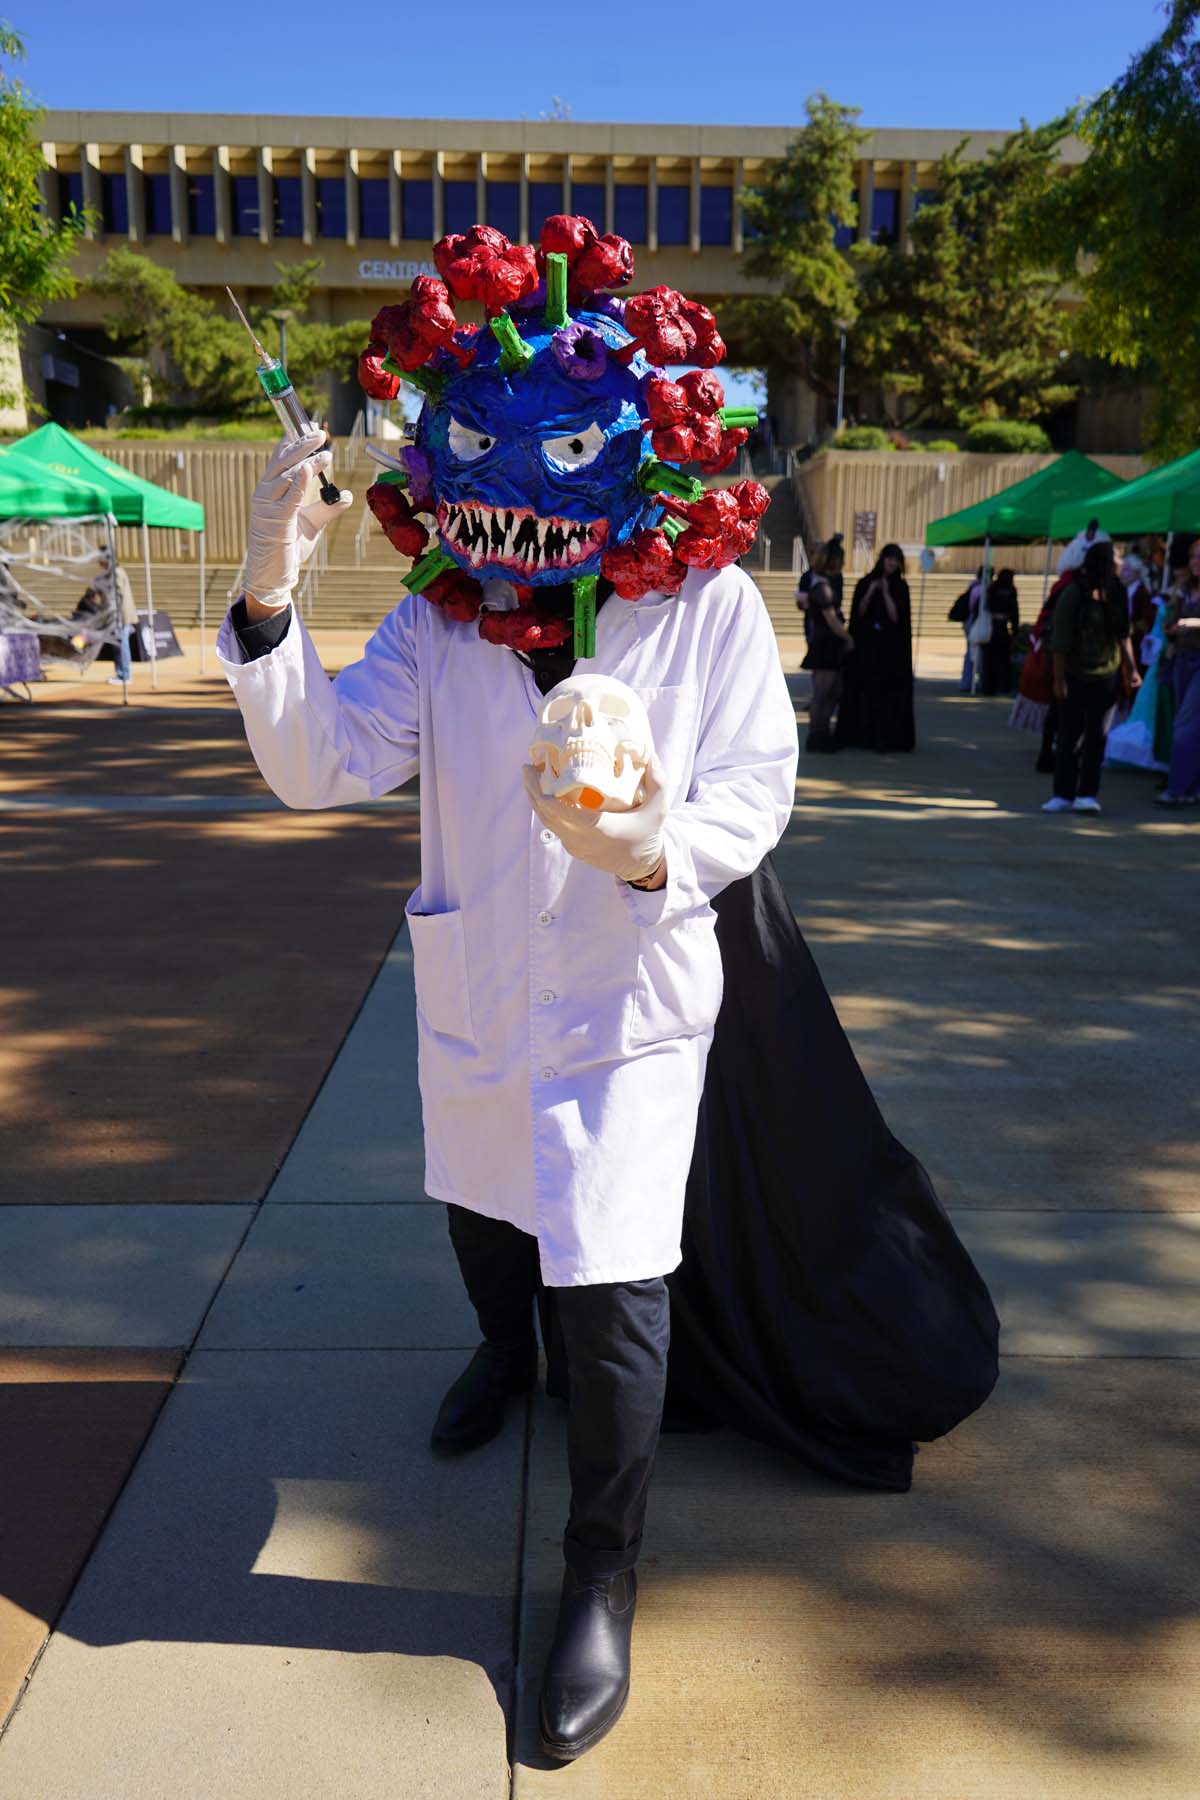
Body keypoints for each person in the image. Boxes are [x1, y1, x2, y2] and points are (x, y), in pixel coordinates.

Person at [217, 215, 999, 1764]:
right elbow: (322, 765)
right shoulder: (443, 615)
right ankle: (498, 1354)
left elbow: (756, 786)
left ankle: (600, 1576)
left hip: (635, 992)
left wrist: (652, 851)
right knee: (487, 1205)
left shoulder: (695, 605)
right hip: (479, 970)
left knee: (616, 1274)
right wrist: (262, 591)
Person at [1042, 540, 1140, 815]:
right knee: (1069, 734)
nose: (1121, 562)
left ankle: (1087, 793)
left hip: (1106, 674)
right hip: (1074, 674)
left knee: (1097, 736)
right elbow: (1060, 640)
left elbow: (1123, 634)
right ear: (1105, 562)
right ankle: (1062, 793)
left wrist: (1131, 670)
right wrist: (1058, 678)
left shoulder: (1117, 592)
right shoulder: (1074, 593)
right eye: (1117, 557)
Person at [837, 543, 915, 752]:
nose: (892, 563)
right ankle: (862, 734)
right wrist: (872, 591)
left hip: (890, 650)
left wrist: (887, 593)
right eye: (889, 559)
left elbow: (897, 618)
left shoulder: (900, 587)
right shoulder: (865, 583)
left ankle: (885, 735)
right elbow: (858, 614)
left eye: (896, 560)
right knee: (865, 691)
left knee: (887, 695)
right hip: (867, 647)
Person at [1154, 538, 1200, 806]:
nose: (1196, 562)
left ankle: (1177, 787)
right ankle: (1191, 787)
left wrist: (1191, 623)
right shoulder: (1183, 589)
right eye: (1193, 557)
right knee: (1187, 725)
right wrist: (1172, 626)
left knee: (1184, 725)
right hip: (1181, 659)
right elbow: (1170, 622)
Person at [801, 566, 854, 751]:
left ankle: (823, 730)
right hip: (824, 645)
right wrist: (848, 637)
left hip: (831, 643)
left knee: (834, 692)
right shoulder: (821, 587)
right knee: (822, 694)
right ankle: (815, 734)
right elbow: (830, 618)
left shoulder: (823, 585)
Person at [86, 547, 138, 685]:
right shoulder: (110, 574)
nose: (98, 562)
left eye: (100, 559)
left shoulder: (116, 573)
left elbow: (117, 596)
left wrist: (115, 616)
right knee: (118, 644)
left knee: (121, 645)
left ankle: (124, 675)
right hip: (115, 615)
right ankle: (121, 673)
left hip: (119, 615)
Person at [981, 567, 1019, 695]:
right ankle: (1003, 685)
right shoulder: (1011, 590)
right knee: (1003, 659)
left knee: (989, 659)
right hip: (1002, 627)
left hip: (991, 625)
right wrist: (1015, 630)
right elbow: (1014, 612)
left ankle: (988, 685)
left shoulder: (992, 589)